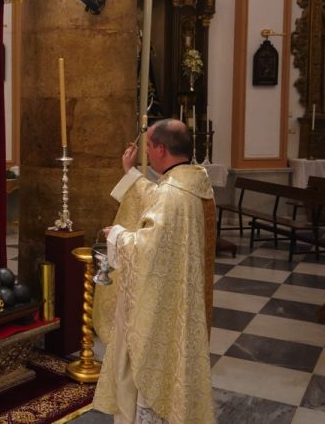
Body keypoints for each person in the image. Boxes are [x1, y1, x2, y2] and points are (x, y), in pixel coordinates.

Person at [93, 118, 216, 424]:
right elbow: (158, 202)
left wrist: (117, 234)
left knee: (149, 366)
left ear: (160, 149)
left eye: (148, 145)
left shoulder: (171, 193)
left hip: (160, 306)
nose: (146, 150)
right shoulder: (196, 185)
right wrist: (131, 174)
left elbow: (146, 249)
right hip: (181, 298)